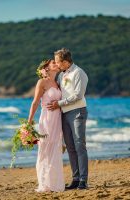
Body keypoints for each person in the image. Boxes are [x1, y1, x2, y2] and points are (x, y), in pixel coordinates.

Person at [47, 48, 89, 190]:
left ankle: (83, 180)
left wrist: (59, 104)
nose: (57, 64)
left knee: (79, 145)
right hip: (64, 114)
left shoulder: (79, 73)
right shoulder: (60, 75)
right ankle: (75, 179)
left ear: (65, 62)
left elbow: (78, 95)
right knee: (70, 147)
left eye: (58, 62)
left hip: (77, 112)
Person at [28, 59, 65, 192]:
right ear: (47, 68)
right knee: (45, 149)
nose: (56, 64)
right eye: (53, 63)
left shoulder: (58, 82)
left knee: (55, 148)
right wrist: (29, 122)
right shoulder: (42, 82)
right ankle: (44, 183)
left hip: (58, 119)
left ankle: (55, 183)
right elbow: (35, 102)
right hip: (47, 119)